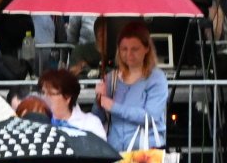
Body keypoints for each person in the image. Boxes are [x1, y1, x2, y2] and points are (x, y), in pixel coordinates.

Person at [100, 21, 169, 152]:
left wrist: (114, 107)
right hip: (115, 150)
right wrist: (99, 98)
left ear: (147, 48)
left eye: (135, 49)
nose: (129, 54)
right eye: (124, 49)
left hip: (146, 151)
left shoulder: (157, 78)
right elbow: (98, 117)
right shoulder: (111, 78)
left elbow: (150, 116)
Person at [37, 68, 105, 137]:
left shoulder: (90, 123)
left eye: (50, 94)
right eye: (43, 93)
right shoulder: (37, 123)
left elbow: (101, 147)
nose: (44, 97)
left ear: (67, 97)